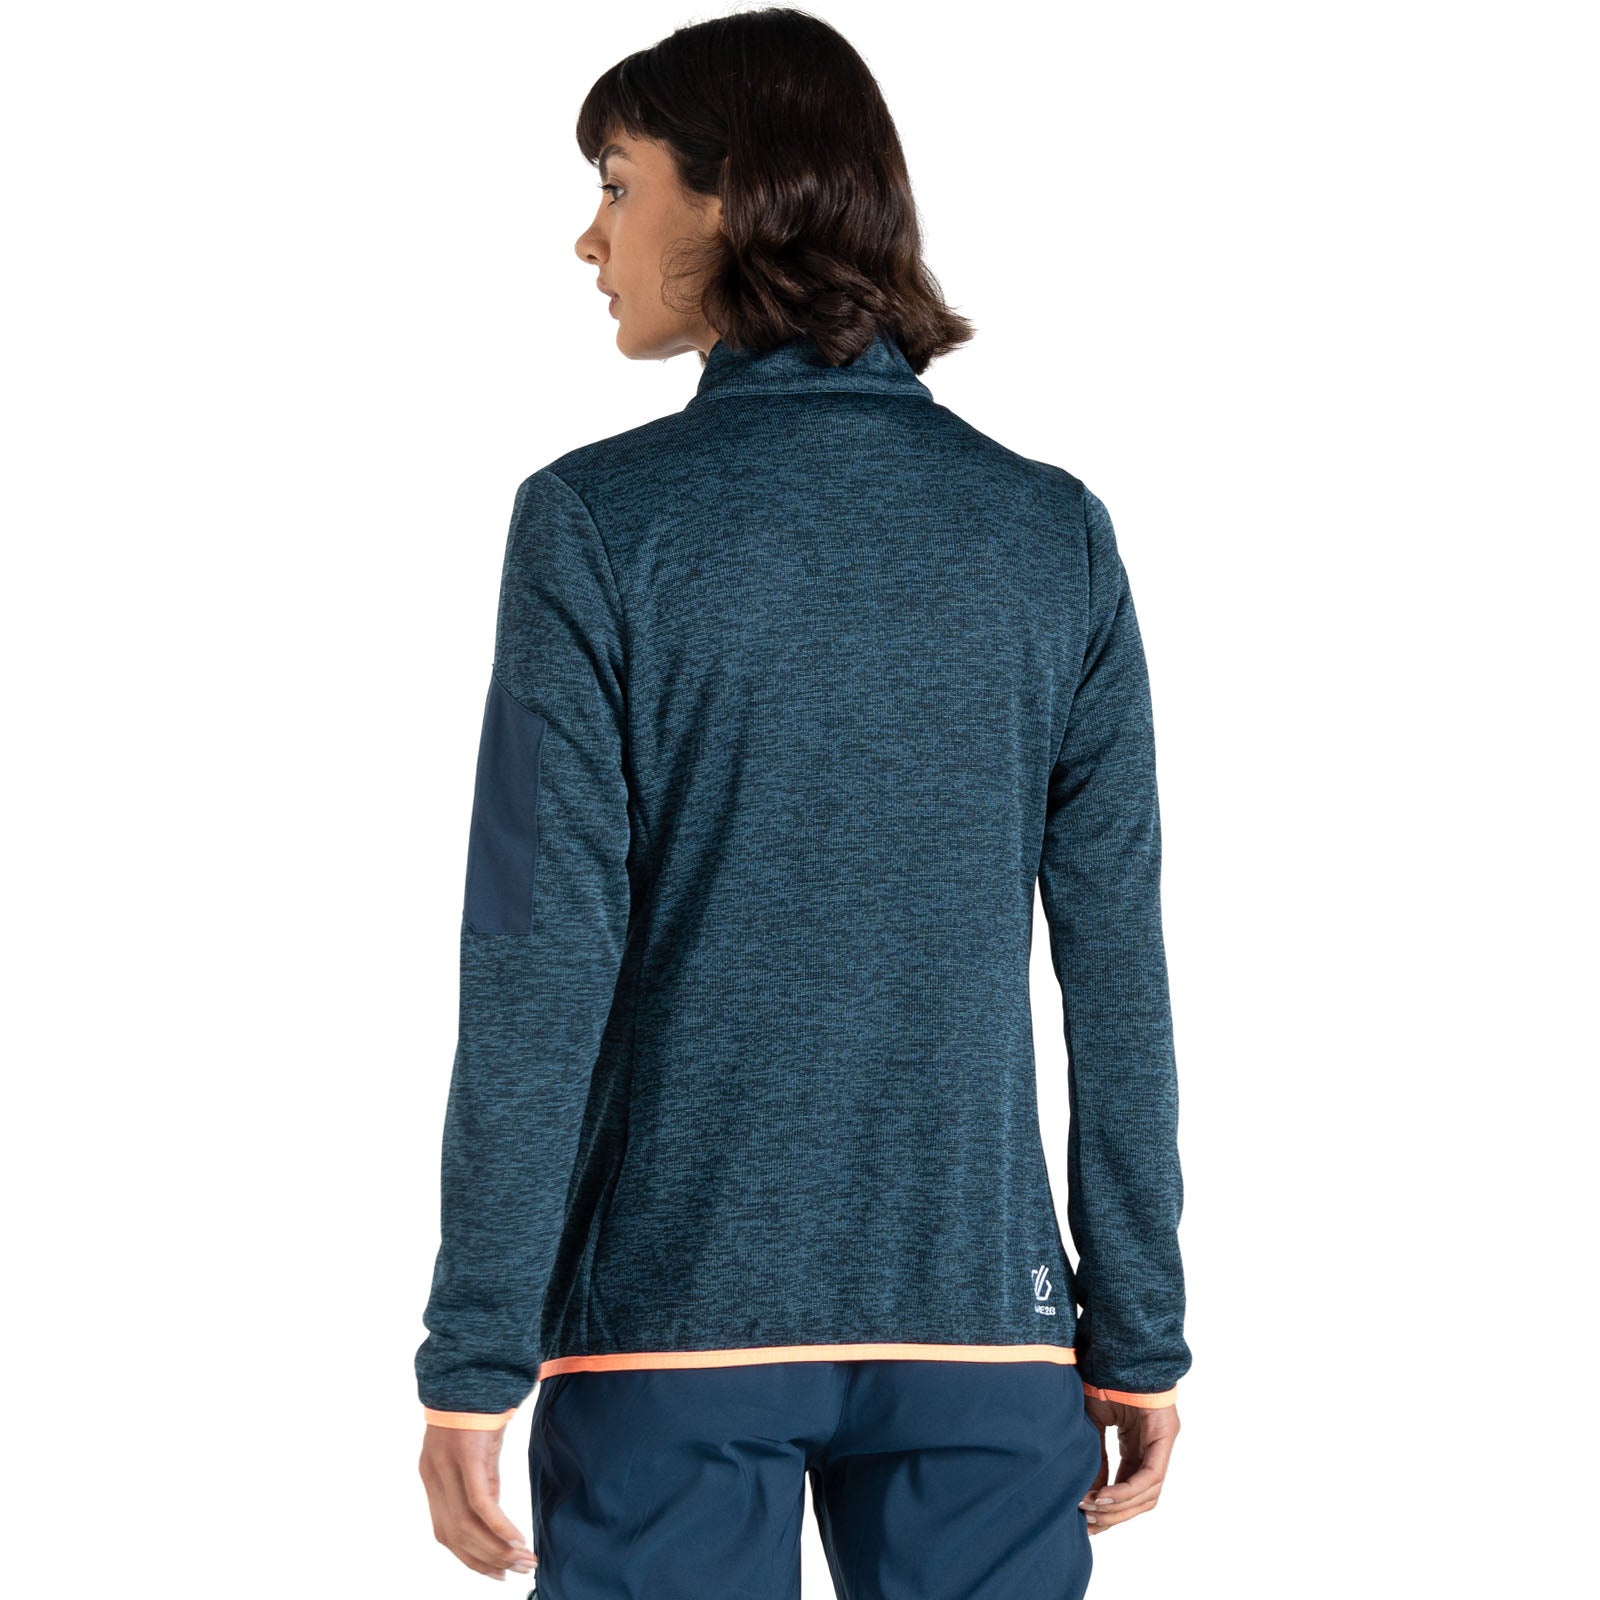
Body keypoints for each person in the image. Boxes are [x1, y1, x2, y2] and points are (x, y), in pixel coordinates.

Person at [415, 10, 1190, 1596]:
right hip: (987, 1330)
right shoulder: (1053, 537)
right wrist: (1140, 1327)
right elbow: (1118, 964)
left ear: (733, 196)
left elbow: (531, 944)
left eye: (615, 183)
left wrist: (473, 1350)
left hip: (671, 1332)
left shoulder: (590, 528)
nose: (588, 238)